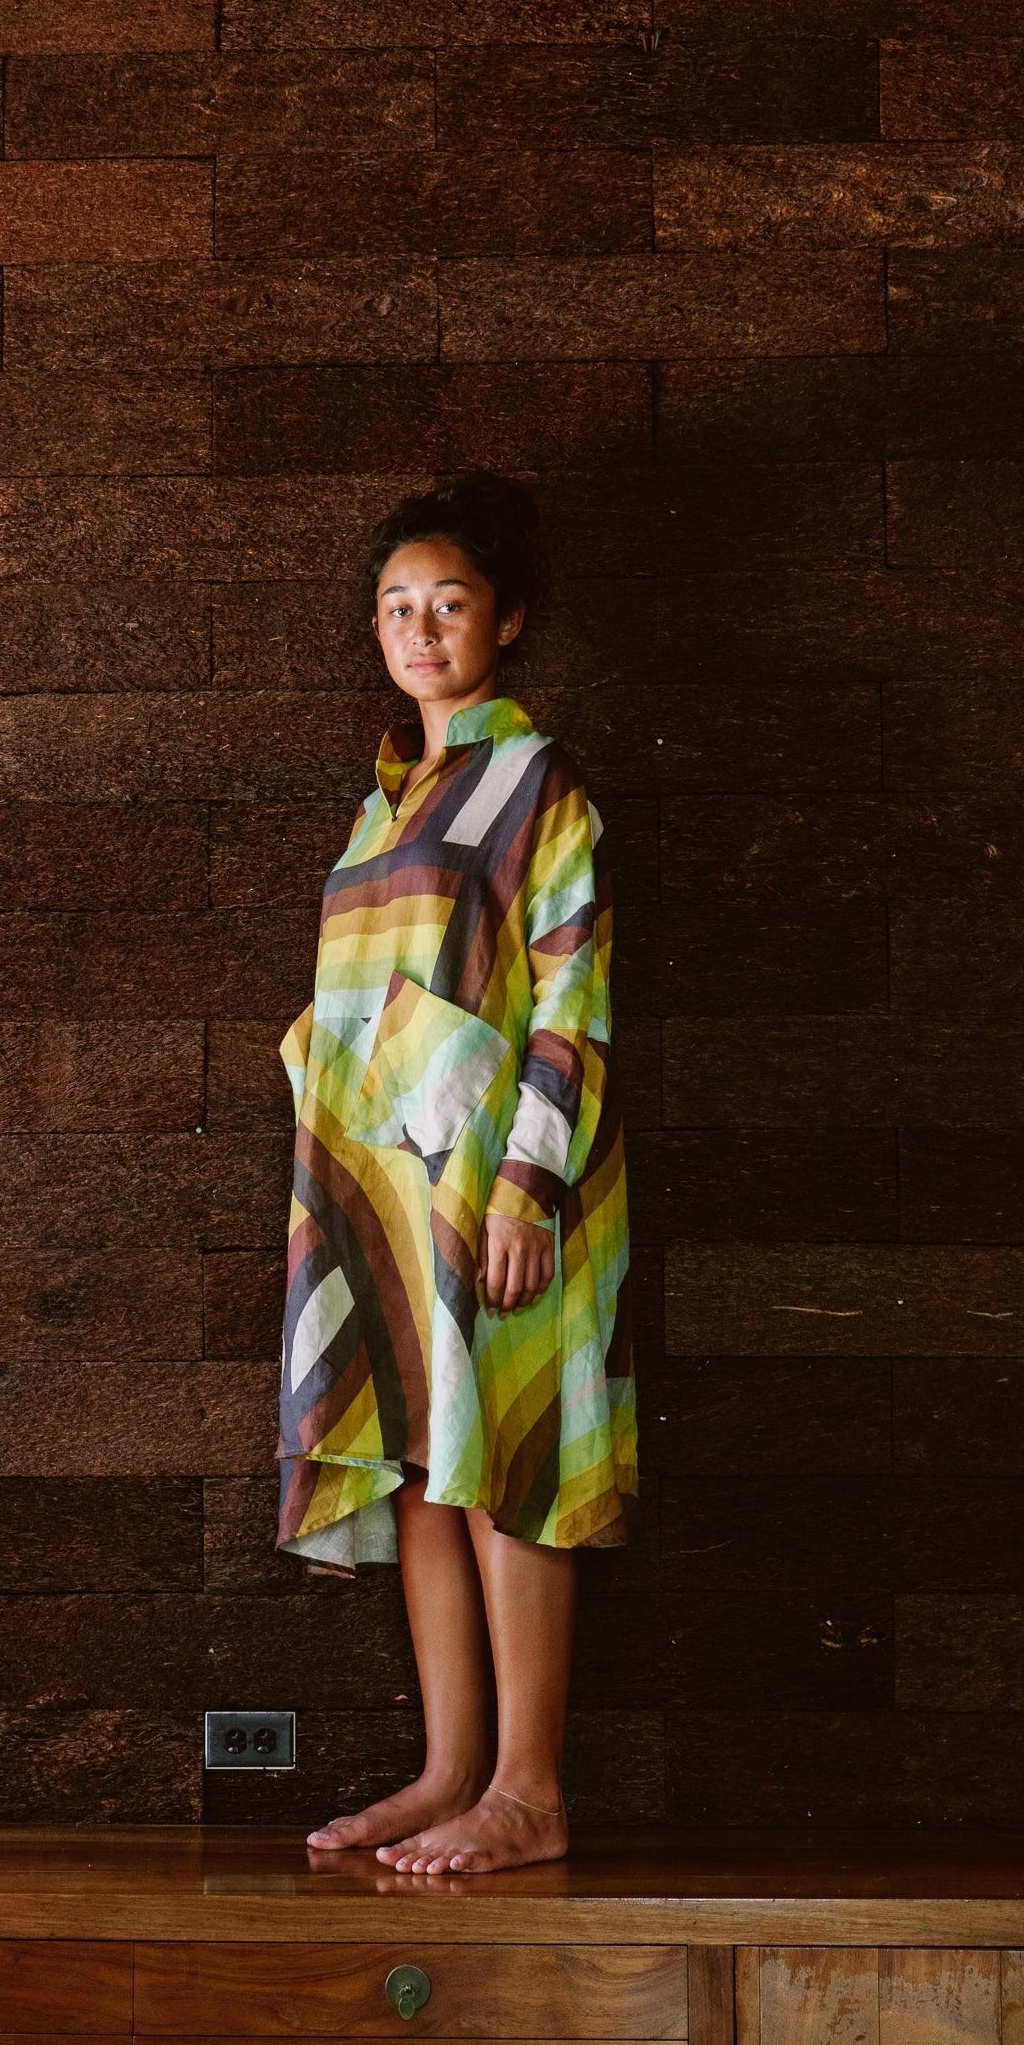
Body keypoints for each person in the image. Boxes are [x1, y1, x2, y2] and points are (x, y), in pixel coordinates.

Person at [274, 470, 636, 1874]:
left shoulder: (533, 780)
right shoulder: (383, 808)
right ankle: (446, 1773)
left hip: (499, 1183)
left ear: (507, 622)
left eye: (450, 605)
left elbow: (571, 993)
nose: (419, 630)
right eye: (396, 607)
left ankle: (528, 1792)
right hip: (383, 1181)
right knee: (431, 1469)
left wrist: (527, 1186)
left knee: (508, 1462)